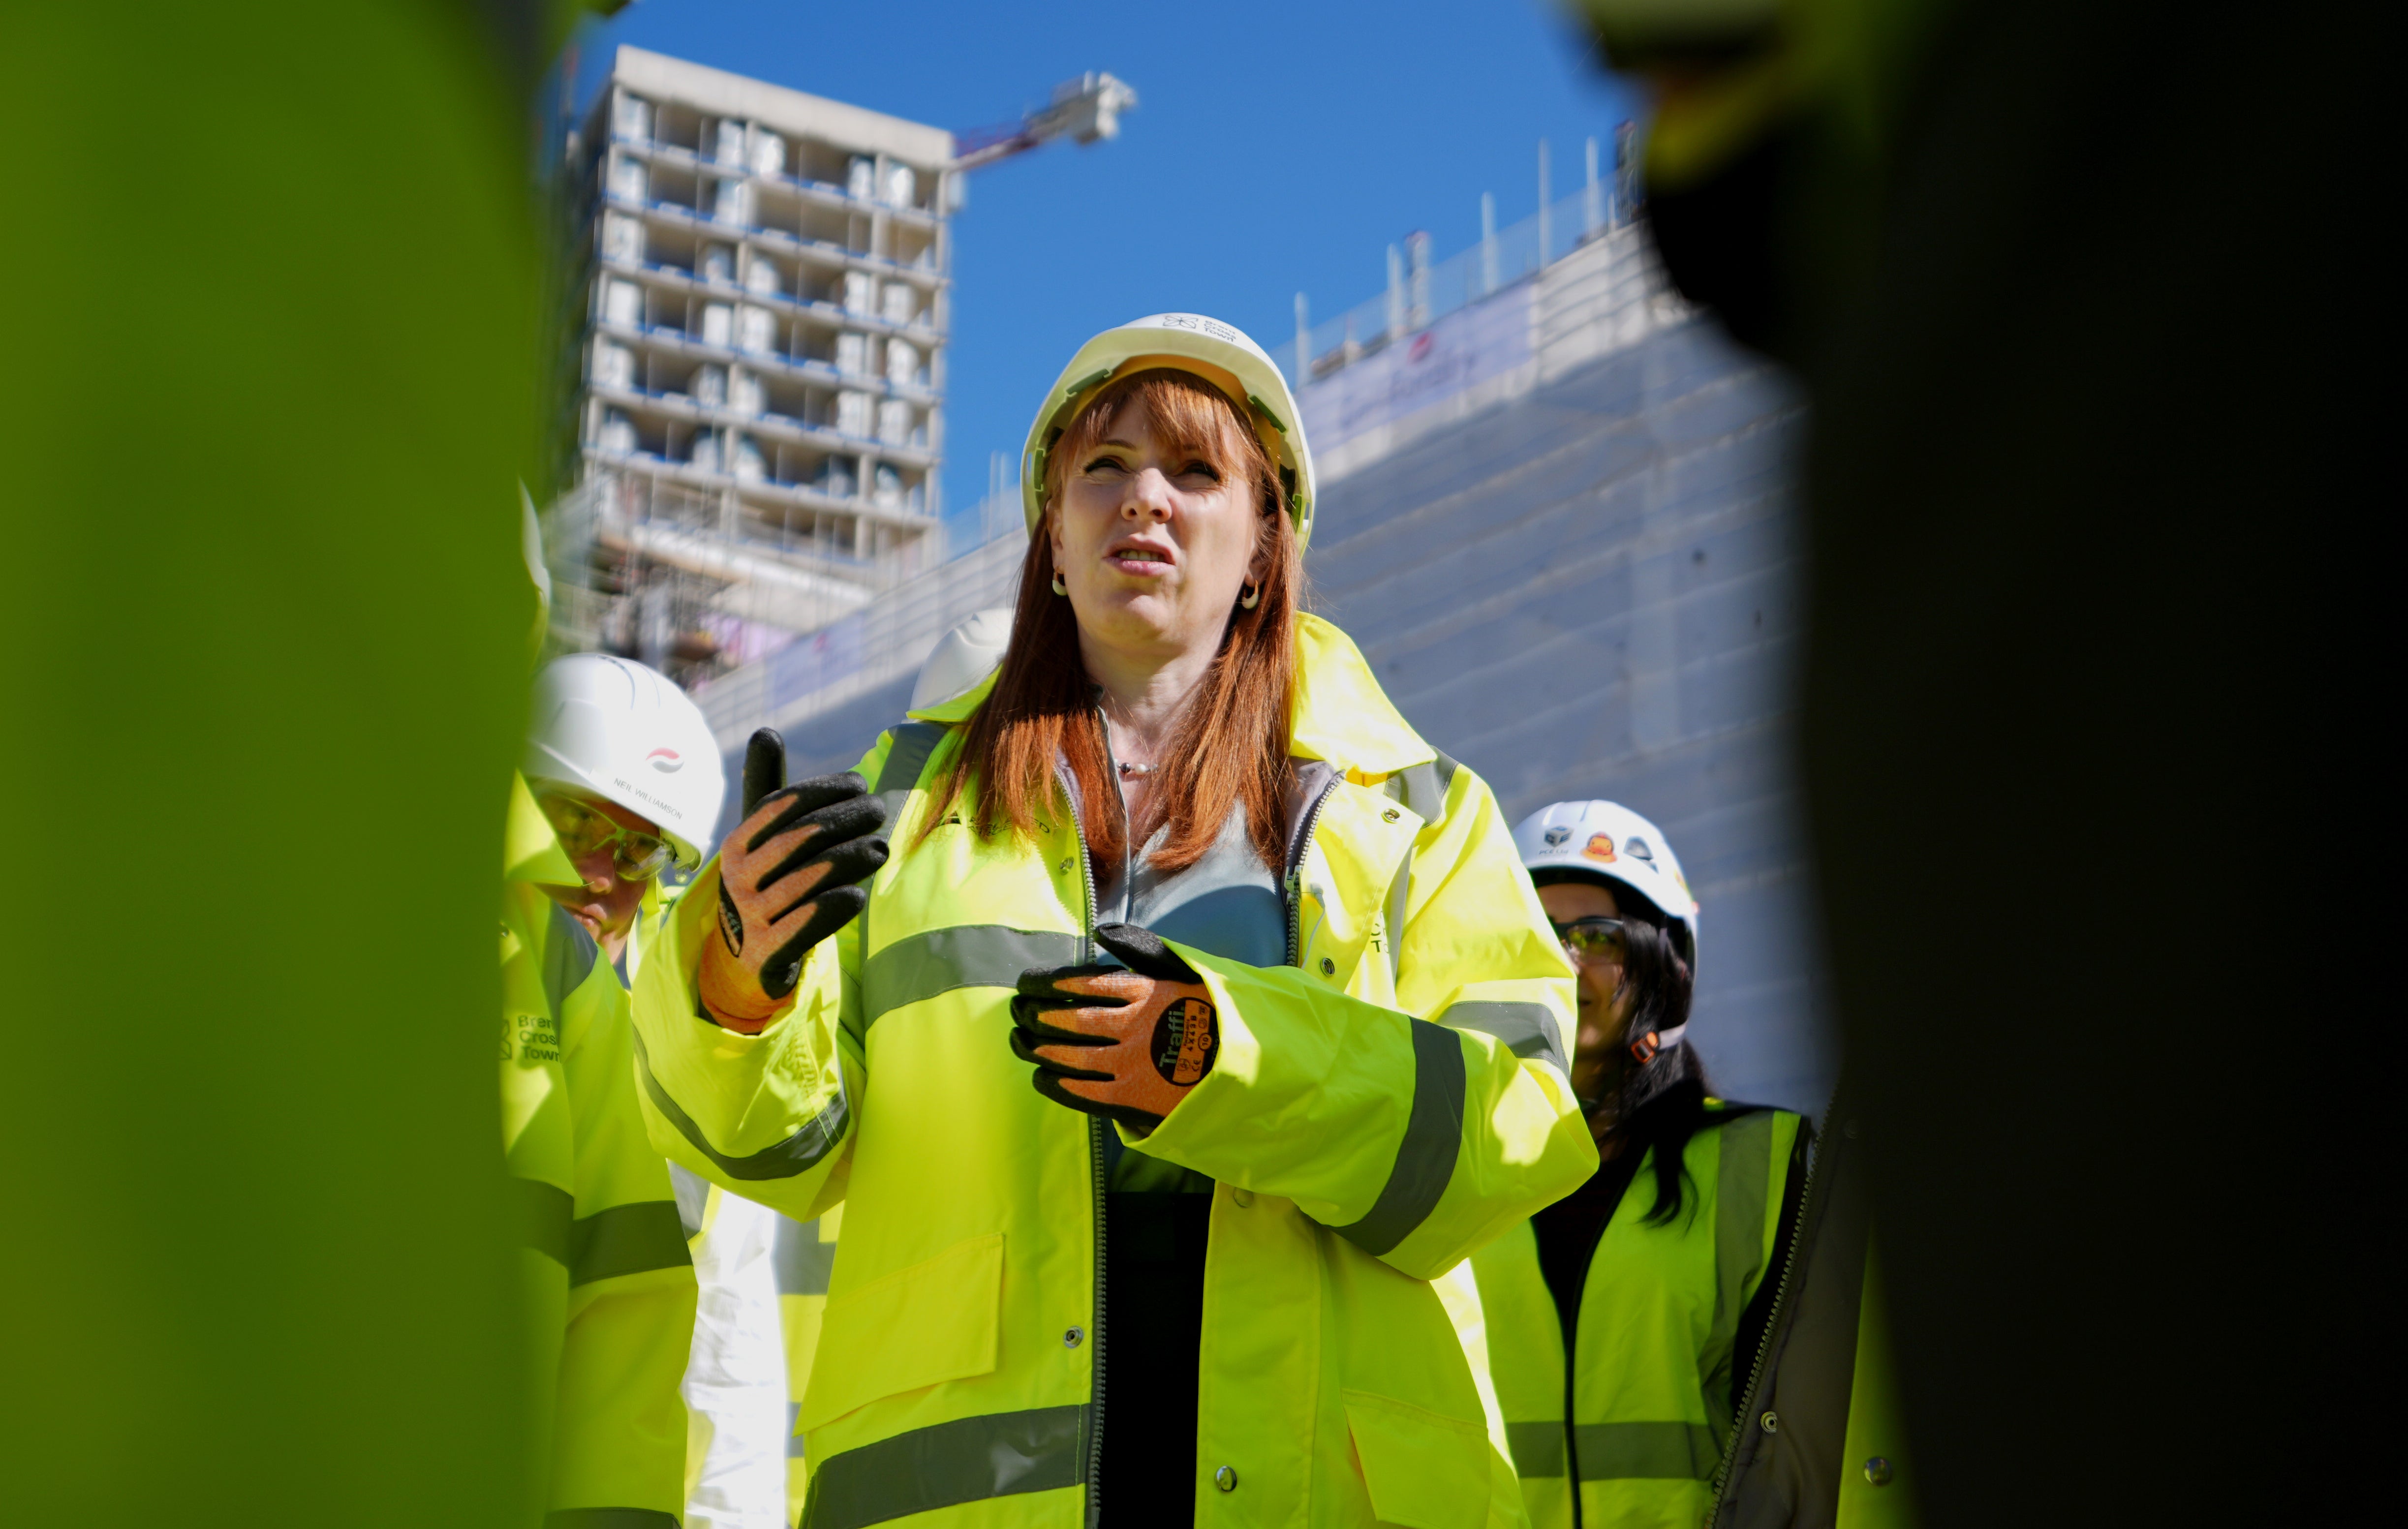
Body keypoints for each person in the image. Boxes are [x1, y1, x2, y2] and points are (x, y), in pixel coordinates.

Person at [628, 312, 1596, 1527]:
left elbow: (1517, 1135)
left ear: (1262, 548)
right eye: (1104, 468)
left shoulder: (1419, 812)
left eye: (1195, 472)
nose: (1145, 499)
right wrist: (732, 980)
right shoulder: (905, 802)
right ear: (1051, 540)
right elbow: (780, 1153)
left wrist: (1220, 1059)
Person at [1467, 800, 1809, 1529]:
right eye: (1535, 933)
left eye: (1595, 936)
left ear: (1665, 962)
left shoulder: (1766, 1165)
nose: (1560, 961)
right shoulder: (1449, 1173)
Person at [505, 652, 723, 1526]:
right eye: (573, 824)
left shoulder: (690, 1053)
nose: (602, 875)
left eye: (637, 849)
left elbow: (722, 1353)